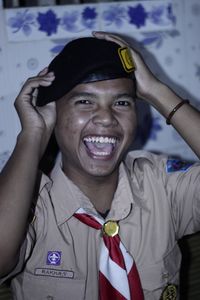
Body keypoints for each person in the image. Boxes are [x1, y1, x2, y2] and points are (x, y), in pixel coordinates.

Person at [0, 31, 200, 300]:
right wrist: (32, 134)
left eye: (121, 102)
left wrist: (156, 91)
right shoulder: (32, 203)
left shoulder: (162, 186)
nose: (106, 118)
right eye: (85, 101)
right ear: (53, 114)